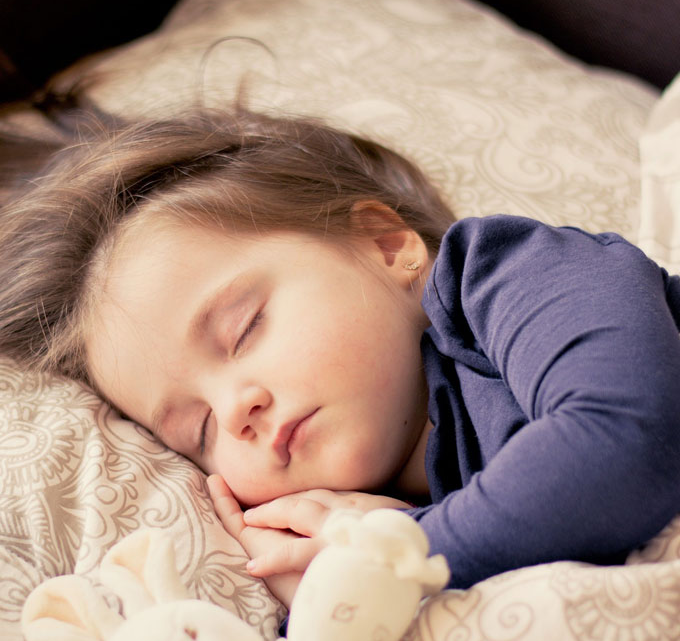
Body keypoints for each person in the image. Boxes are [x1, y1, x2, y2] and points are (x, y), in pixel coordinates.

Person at [1, 105, 679, 610]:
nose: (237, 408)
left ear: (386, 245)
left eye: (245, 328)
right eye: (197, 430)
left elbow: (629, 439)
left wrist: (385, 557)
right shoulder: (404, 505)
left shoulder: (510, 273)